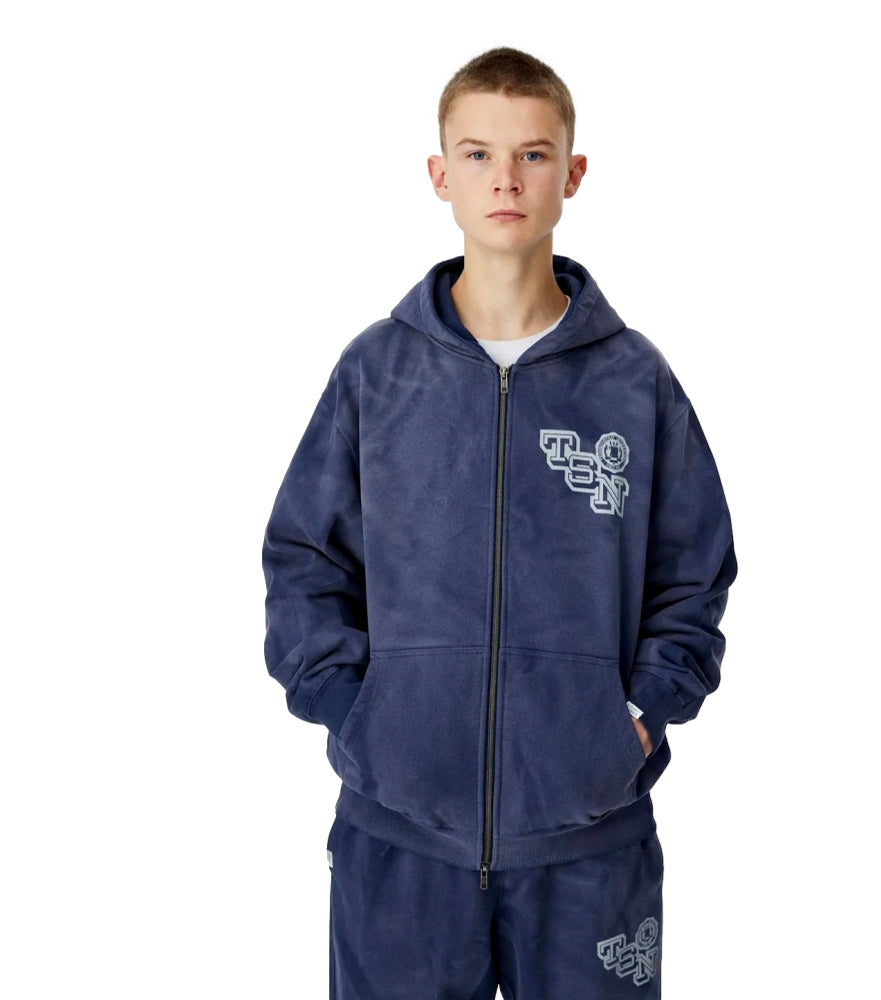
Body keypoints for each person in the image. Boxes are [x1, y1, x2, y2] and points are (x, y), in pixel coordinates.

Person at [262, 45, 737, 1000]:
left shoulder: (634, 381)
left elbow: (694, 574)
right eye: (477, 154)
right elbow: (304, 560)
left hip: (589, 845)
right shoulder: (376, 373)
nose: (506, 180)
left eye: (533, 154)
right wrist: (361, 716)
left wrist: (635, 720)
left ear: (574, 173)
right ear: (439, 175)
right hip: (400, 842)